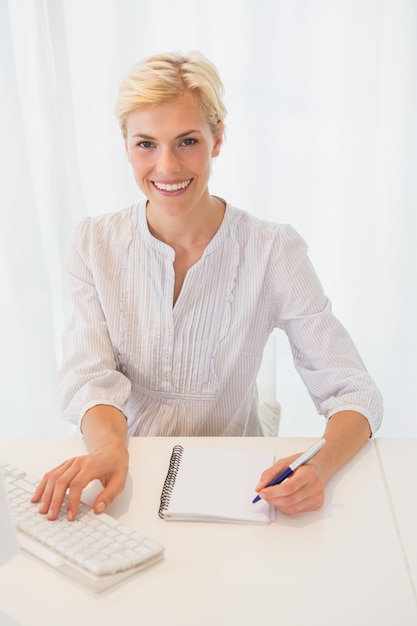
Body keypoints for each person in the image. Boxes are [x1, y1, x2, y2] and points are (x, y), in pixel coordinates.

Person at [32, 51, 383, 521]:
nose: (167, 167)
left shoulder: (273, 249)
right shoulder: (93, 243)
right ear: (125, 144)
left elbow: (356, 394)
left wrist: (318, 468)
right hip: (121, 475)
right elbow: (89, 378)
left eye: (187, 141)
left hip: (238, 493)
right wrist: (111, 449)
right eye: (146, 144)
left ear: (217, 140)